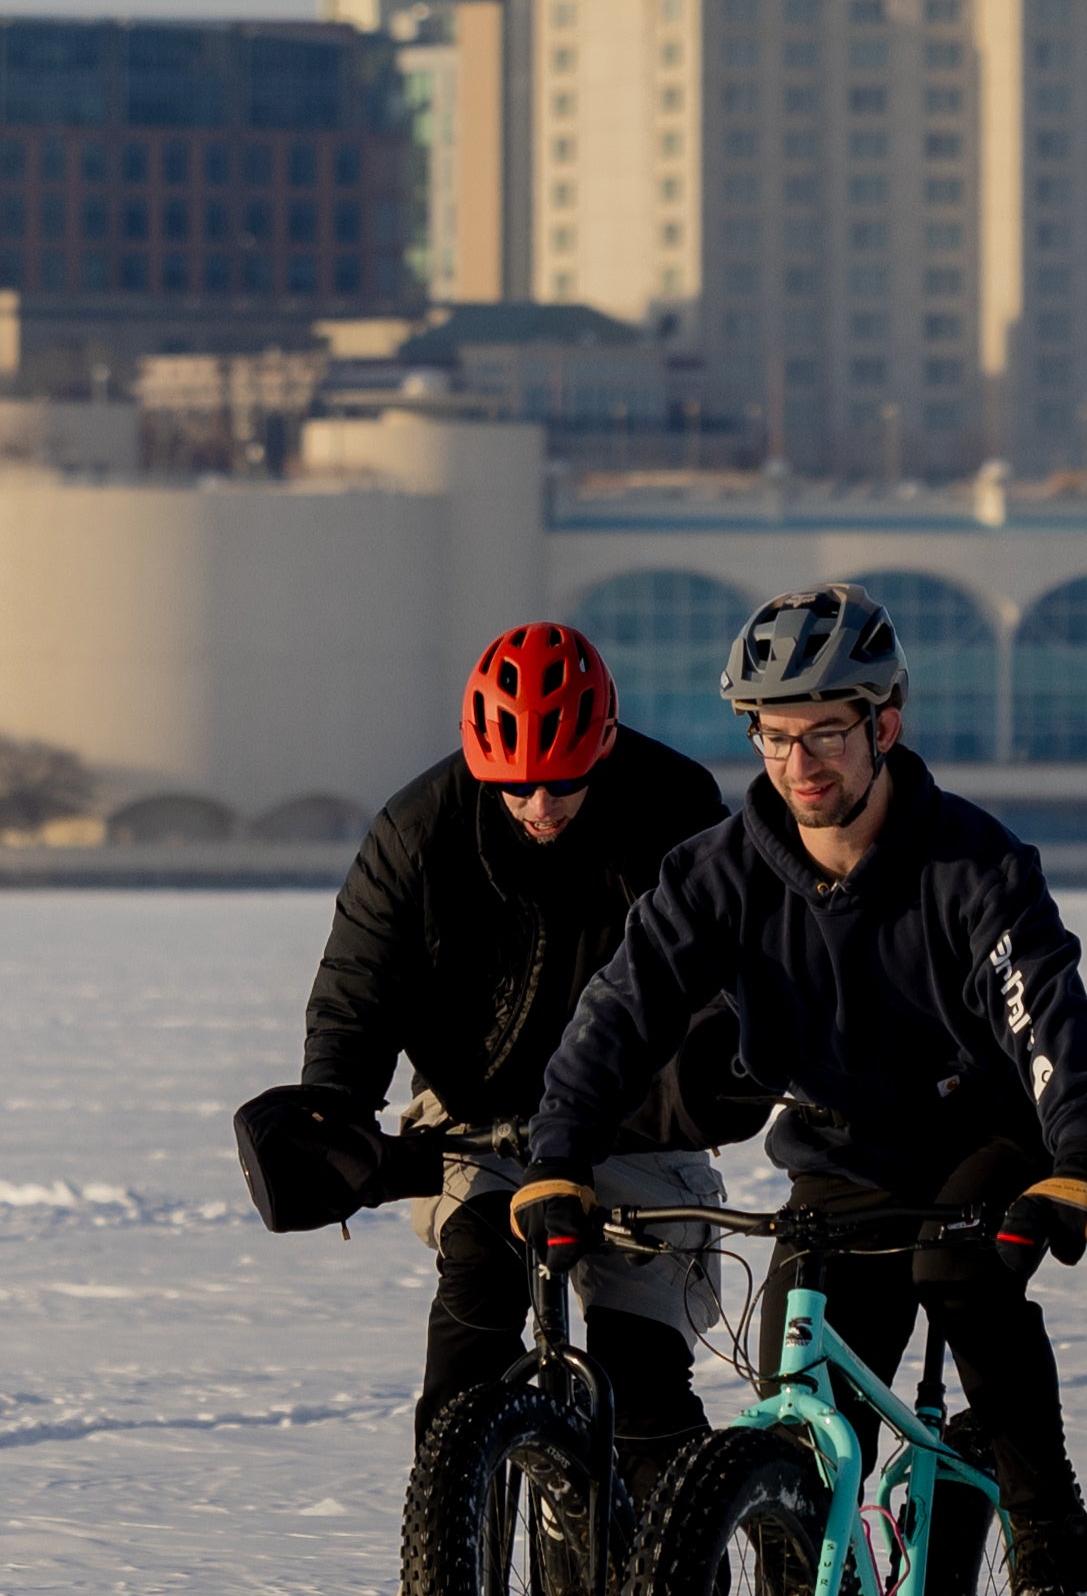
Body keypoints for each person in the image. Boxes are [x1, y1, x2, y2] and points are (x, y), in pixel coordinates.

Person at [497, 582, 1087, 1596]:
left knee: (959, 1279)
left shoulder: (972, 865)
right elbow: (621, 1011)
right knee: (801, 1421)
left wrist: (1078, 1161)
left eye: (826, 735)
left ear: (885, 723)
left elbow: (1048, 1013)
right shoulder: (722, 872)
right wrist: (556, 1157)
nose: (799, 765)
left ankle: (1047, 1537)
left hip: (982, 1137)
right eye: (774, 738)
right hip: (840, 1156)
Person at [245, 620, 743, 1464]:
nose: (539, 806)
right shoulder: (418, 829)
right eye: (514, 786)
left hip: (637, 1110)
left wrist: (708, 1085)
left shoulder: (675, 806)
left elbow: (726, 974)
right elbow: (357, 989)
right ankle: (449, 1563)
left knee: (644, 1374)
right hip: (482, 1108)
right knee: (473, 1316)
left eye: (562, 781)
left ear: (606, 743)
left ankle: (678, 1578)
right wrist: (335, 1108)